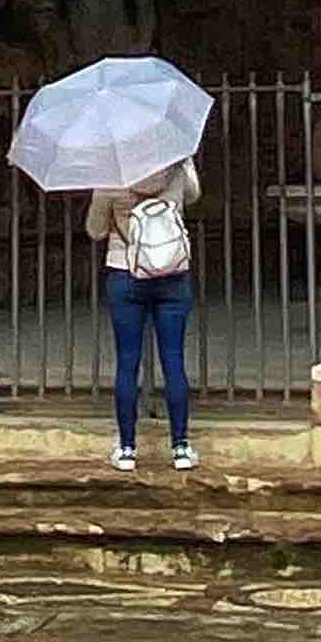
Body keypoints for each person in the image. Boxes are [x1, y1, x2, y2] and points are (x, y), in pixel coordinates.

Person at [90, 155, 200, 472]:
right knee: (174, 359)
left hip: (125, 272)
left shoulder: (109, 179)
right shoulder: (176, 169)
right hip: (171, 273)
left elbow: (95, 230)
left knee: (127, 361)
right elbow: (193, 196)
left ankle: (126, 449)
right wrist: (185, 163)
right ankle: (180, 447)